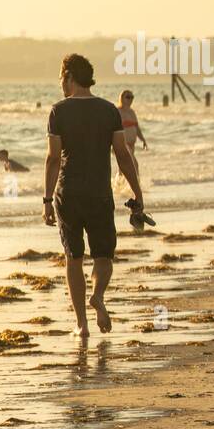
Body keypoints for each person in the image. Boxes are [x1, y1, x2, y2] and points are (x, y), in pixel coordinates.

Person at [43, 54, 145, 338]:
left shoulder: (58, 111)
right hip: (100, 194)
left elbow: (52, 160)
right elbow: (123, 156)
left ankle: (81, 325)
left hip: (69, 195)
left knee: (73, 257)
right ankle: (98, 295)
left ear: (68, 77)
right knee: (103, 256)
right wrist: (138, 193)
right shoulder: (109, 111)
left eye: (62, 78)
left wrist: (46, 200)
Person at [116, 90, 147, 161]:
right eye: (128, 97)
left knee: (126, 168)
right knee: (133, 165)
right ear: (122, 98)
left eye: (132, 97)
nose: (130, 99)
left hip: (132, 145)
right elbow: (113, 129)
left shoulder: (132, 112)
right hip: (123, 145)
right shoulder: (118, 111)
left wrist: (143, 140)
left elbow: (137, 128)